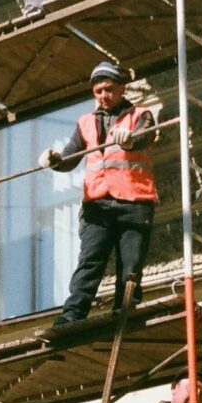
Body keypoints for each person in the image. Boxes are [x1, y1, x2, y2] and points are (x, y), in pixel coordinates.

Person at [38, 61, 157, 325]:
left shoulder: (141, 115)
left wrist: (131, 139)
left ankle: (125, 310)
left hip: (134, 201)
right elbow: (70, 157)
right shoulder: (86, 123)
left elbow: (145, 136)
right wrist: (55, 160)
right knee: (90, 261)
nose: (104, 95)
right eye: (98, 91)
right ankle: (73, 314)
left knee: (131, 265)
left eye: (109, 89)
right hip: (97, 204)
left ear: (122, 88)